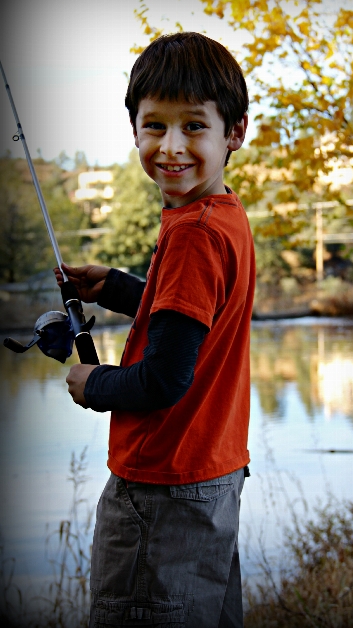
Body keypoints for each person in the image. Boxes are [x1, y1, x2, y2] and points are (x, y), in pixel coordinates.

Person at [55, 32, 255, 628]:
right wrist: (114, 285)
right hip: (213, 474)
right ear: (135, 130)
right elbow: (186, 317)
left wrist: (93, 384)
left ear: (234, 133)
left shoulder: (193, 233)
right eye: (154, 126)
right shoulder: (222, 217)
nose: (171, 147)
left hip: (162, 486)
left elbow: (166, 375)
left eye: (194, 126)